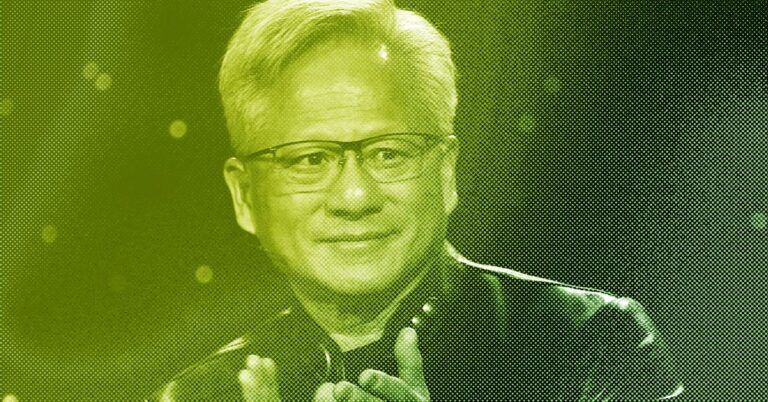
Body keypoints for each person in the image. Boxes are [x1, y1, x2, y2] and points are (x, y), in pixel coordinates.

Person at [151, 0, 683, 400]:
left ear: (447, 172)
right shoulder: (196, 395)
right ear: (245, 195)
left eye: (389, 154)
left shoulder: (590, 342)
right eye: (309, 160)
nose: (354, 197)